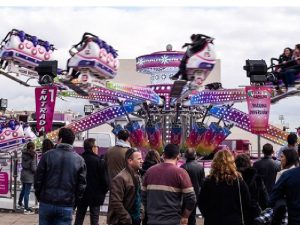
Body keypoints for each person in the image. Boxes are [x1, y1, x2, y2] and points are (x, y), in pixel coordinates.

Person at [34, 127, 87, 225]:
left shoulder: (47, 156)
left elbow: (38, 179)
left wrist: (40, 196)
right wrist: (74, 203)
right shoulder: (79, 160)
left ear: (60, 139)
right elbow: (81, 185)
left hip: (46, 201)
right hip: (66, 204)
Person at [142, 144, 196, 225]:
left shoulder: (149, 171)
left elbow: (143, 197)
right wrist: (185, 217)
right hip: (173, 221)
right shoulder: (181, 173)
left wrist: (150, 213)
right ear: (179, 156)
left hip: (152, 220)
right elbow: (191, 199)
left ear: (163, 155)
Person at [198, 150, 251, 225]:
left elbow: (201, 202)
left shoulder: (208, 181)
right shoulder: (238, 181)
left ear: (215, 163)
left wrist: (208, 215)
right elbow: (247, 202)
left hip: (213, 220)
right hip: (234, 220)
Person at [74, 138, 109, 225]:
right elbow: (105, 181)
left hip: (81, 194)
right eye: (96, 146)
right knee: (94, 218)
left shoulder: (79, 159)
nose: (98, 148)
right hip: (96, 195)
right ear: (93, 147)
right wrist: (103, 191)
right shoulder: (99, 161)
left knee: (79, 216)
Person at [107, 148, 143, 225]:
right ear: (130, 161)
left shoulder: (137, 175)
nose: (142, 161)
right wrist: (127, 219)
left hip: (135, 219)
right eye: (139, 159)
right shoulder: (120, 178)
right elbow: (116, 202)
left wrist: (141, 214)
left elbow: (139, 197)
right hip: (122, 221)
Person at [235, 154, 268, 223]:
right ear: (249, 163)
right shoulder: (256, 178)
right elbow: (264, 197)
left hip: (236, 214)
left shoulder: (232, 178)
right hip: (253, 214)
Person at [180, 148, 205, 225]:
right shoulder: (200, 167)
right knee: (192, 217)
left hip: (184, 196)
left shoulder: (182, 167)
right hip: (196, 195)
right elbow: (202, 183)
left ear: (186, 156)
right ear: (195, 155)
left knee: (184, 217)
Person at [18, 141, 37, 214]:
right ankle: (26, 208)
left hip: (23, 173)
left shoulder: (23, 153)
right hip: (29, 174)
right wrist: (37, 172)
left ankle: (19, 203)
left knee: (23, 189)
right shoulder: (33, 155)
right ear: (32, 148)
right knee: (27, 192)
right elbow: (33, 168)